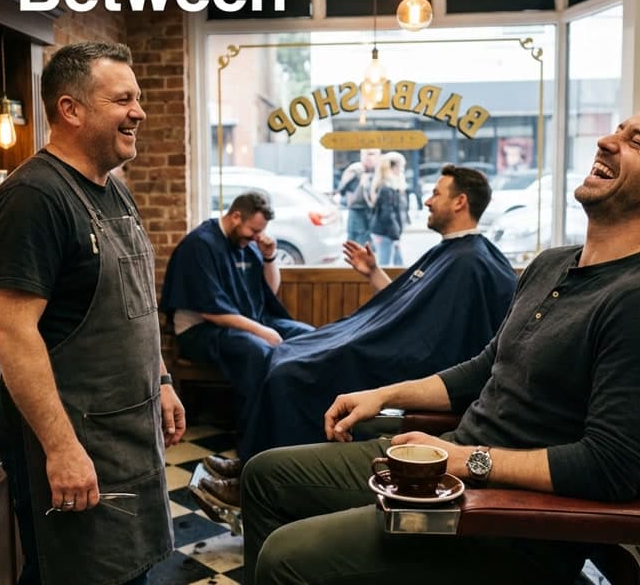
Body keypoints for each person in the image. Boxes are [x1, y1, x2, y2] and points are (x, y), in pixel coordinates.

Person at [240, 84, 640, 584]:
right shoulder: (553, 264)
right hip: (454, 466)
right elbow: (483, 370)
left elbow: (610, 468)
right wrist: (382, 395)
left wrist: (465, 460)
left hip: (511, 525)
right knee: (264, 476)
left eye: (636, 142)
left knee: (286, 556)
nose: (606, 141)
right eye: (619, 130)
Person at [0, 42, 186, 585]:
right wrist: (61, 448)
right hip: (77, 438)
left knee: (127, 572)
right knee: (76, 574)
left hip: (125, 429)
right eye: (122, 100)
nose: (139, 112)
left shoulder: (113, 191)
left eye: (137, 98)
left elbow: (134, 305)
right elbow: (11, 331)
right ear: (70, 110)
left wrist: (161, 378)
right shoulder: (33, 197)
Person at [194, 165, 517, 505]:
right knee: (283, 352)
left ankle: (260, 486)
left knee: (288, 374)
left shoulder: (472, 261)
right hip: (389, 343)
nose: (427, 200)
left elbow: (439, 335)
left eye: (436, 193)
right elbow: (408, 303)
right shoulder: (452, 251)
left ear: (460, 202)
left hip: (403, 359)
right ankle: (251, 463)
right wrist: (373, 272)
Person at [160, 191, 314, 418]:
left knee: (309, 336)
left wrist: (269, 257)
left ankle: (300, 412)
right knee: (259, 350)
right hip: (200, 330)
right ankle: (259, 424)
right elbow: (211, 311)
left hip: (246, 320)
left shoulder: (247, 242)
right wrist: (263, 331)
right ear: (236, 217)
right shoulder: (199, 245)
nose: (258, 237)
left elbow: (268, 291)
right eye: (254, 230)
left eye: (261, 231)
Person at [368, 151, 408, 266]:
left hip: (387, 232)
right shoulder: (387, 188)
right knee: (385, 266)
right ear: (393, 167)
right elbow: (388, 215)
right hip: (386, 233)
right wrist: (395, 237)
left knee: (397, 265)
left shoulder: (389, 186)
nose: (402, 170)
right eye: (401, 166)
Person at [338, 148, 380, 245]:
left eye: (373, 154)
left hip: (368, 214)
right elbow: (344, 192)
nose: (370, 158)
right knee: (358, 243)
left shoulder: (376, 171)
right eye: (368, 154)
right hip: (357, 212)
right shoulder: (356, 170)